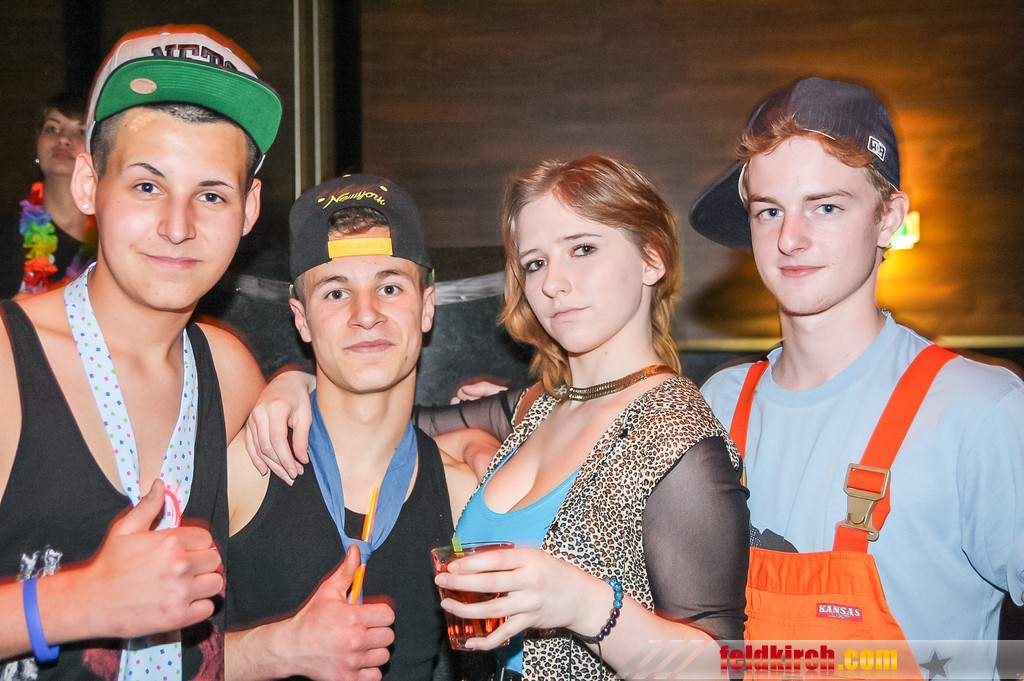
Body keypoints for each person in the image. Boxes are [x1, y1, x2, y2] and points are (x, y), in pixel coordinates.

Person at [689, 77, 1024, 674]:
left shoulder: (978, 409)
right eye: (769, 211)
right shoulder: (718, 403)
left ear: (888, 218)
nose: (790, 239)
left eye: (826, 207)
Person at [0, 24, 282, 679]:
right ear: (87, 182)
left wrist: (297, 381)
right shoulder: (10, 365)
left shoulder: (229, 372)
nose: (178, 227)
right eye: (147, 186)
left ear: (248, 209)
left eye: (211, 194)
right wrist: (78, 602)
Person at [224, 174, 477, 681]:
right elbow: (132, 661)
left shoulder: (462, 493)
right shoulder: (245, 467)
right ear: (301, 319)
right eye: (337, 292)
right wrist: (271, 652)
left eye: (389, 287)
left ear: (426, 307)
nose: (366, 314)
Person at [1, 92, 96, 297]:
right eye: (52, 129)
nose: (63, 138)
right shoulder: (5, 236)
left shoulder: (111, 241)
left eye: (80, 131)